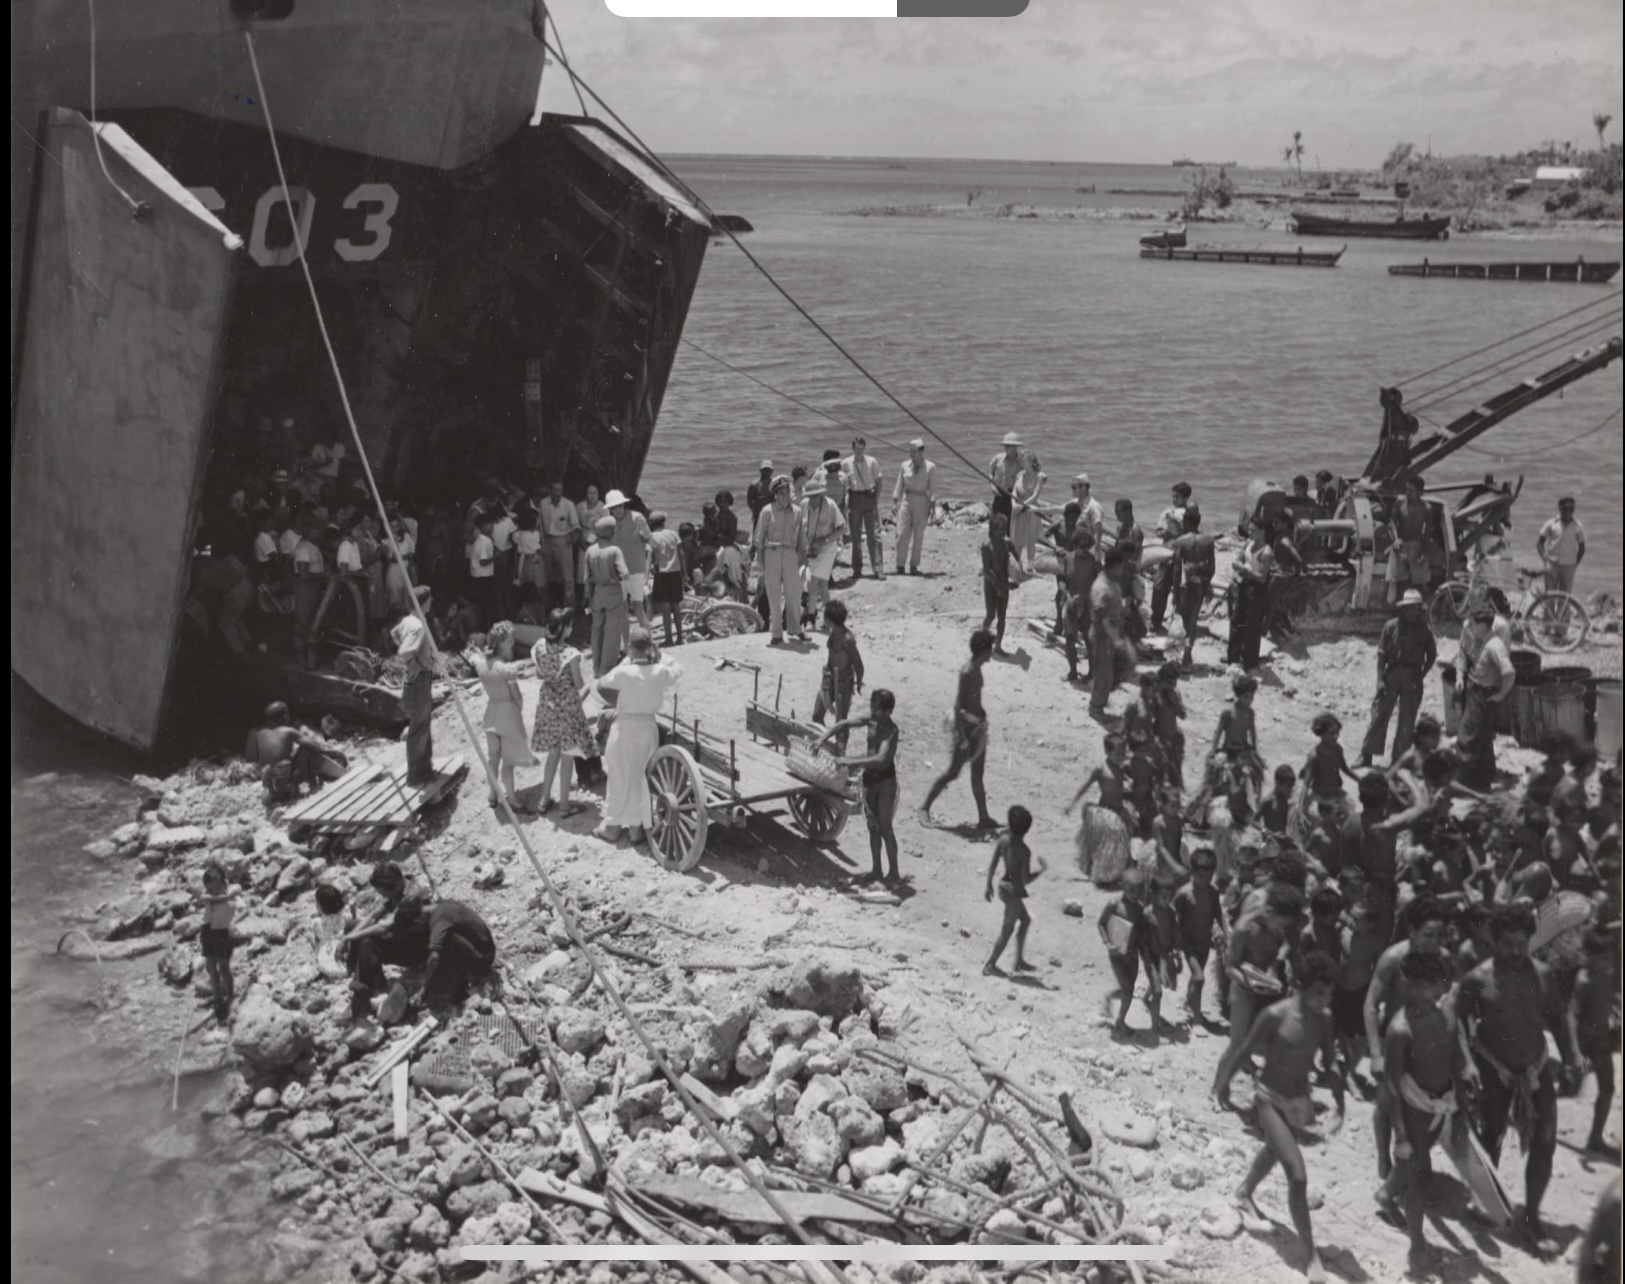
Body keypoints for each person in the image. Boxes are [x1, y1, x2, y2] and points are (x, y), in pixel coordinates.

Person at [1213, 951, 1345, 1284]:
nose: (1323, 1000)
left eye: (1328, 994)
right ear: (1300, 986)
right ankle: (1310, 1254)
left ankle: (1244, 1191)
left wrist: (1339, 1100)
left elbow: (1328, 1062)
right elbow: (1244, 1049)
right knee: (1297, 1175)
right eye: (1318, 992)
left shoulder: (1325, 1018)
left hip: (1299, 1100)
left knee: (1273, 1150)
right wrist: (1224, 1084)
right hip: (1268, 1098)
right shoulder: (1275, 1014)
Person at [1456, 903, 1579, 1252]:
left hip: (1536, 1066)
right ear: (1494, 941)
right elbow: (1458, 1023)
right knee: (1491, 1135)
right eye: (1507, 942)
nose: (1514, 950)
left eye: (1521, 943)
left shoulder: (1543, 974)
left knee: (1545, 1140)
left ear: (1530, 941)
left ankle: (1532, 1218)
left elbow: (1557, 1017)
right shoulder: (1477, 977)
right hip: (1493, 1066)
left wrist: (1569, 1058)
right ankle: (1486, 1202)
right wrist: (1466, 1062)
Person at [1363, 897, 1451, 1180]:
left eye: (1439, 936)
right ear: (1411, 930)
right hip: (1394, 1041)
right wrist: (1376, 1053)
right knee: (1386, 1101)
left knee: (1420, 1109)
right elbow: (1371, 1005)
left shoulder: (1444, 960)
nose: (1434, 942)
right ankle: (1382, 1158)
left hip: (1425, 1042)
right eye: (1428, 935)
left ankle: (1410, 1165)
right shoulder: (1393, 958)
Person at [593, 627, 681, 848]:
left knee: (619, 774)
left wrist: (626, 661)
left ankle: (612, 827)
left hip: (625, 728)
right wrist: (658, 655)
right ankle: (635, 829)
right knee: (640, 778)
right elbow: (677, 669)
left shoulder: (624, 673)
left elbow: (603, 682)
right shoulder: (660, 672)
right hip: (648, 728)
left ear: (630, 648)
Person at [819, 688, 901, 884]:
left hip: (886, 783)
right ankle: (876, 870)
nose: (874, 713)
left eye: (878, 710)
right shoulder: (872, 720)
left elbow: (881, 758)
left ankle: (895, 873)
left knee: (885, 828)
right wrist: (821, 739)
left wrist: (849, 761)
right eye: (872, 709)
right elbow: (842, 723)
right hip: (870, 780)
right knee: (873, 827)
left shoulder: (892, 731)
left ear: (889, 711)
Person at [921, 629, 995, 829]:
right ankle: (924, 808)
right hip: (968, 730)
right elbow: (958, 705)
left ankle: (984, 817)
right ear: (984, 650)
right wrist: (962, 737)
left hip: (977, 729)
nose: (992, 653)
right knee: (952, 773)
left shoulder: (976, 669)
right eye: (990, 649)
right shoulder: (968, 672)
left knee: (977, 774)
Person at [1223, 884, 1304, 1066]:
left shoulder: (1276, 923)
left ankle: (1247, 1064)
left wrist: (1278, 963)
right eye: (1282, 923)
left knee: (1258, 1035)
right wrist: (1253, 983)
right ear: (1269, 911)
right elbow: (1229, 968)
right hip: (1243, 987)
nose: (1283, 927)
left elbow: (1285, 943)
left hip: (1266, 985)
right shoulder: (1244, 928)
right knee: (1237, 1042)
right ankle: (1219, 1086)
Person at [1359, 588, 1439, 773]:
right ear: (1402, 609)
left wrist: (1421, 675)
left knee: (1407, 720)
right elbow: (1381, 655)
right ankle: (1367, 755)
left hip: (1412, 676)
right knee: (1379, 713)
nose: (1413, 612)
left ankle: (1398, 760)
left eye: (1416, 609)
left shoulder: (1425, 630)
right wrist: (1380, 680)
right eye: (1409, 608)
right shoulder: (1390, 626)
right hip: (1392, 674)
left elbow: (1432, 656)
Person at [528, 609, 595, 819]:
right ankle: (565, 806)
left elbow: (539, 673)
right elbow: (579, 683)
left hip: (548, 704)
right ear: (565, 628)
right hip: (568, 708)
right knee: (568, 757)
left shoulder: (539, 646)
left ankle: (544, 800)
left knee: (553, 753)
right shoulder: (571, 654)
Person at [470, 622, 535, 814]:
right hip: (508, 714)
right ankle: (513, 800)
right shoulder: (507, 670)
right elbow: (518, 697)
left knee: (493, 758)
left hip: (492, 711)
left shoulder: (482, 666)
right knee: (508, 761)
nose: (512, 643)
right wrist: (517, 711)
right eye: (509, 640)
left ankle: (492, 795)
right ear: (500, 643)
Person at [396, 894, 497, 1010]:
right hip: (484, 947)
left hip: (483, 960)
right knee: (440, 941)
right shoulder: (441, 905)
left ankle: (453, 990)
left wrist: (424, 987)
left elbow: (434, 957)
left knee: (441, 946)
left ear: (417, 922)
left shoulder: (438, 921)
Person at [1454, 600, 1515, 791]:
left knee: (1466, 738)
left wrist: (1500, 694)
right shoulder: (1482, 640)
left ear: (1482, 625)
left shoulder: (1494, 645)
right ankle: (1482, 780)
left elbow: (1509, 672)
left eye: (1473, 624)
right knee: (1481, 737)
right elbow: (1463, 654)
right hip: (1476, 690)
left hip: (1483, 694)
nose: (1469, 627)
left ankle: (1462, 783)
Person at [984, 804, 1045, 977]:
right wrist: (1041, 871)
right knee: (1007, 929)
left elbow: (994, 863)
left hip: (1004, 885)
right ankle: (990, 964)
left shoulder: (1003, 840)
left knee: (1025, 920)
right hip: (1013, 893)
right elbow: (1025, 880)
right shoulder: (1024, 852)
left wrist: (988, 884)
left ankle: (1018, 961)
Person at [244, 701, 348, 801]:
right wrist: (332, 753)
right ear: (285, 717)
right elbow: (315, 747)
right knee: (306, 749)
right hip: (287, 782)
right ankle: (311, 786)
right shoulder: (288, 731)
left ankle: (274, 792)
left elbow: (251, 759)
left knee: (281, 763)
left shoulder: (258, 735)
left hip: (269, 781)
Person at [1575, 926, 1619, 1156]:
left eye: (1608, 958)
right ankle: (1532, 1111)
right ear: (1589, 956)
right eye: (1601, 958)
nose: (1605, 962)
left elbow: (1611, 1000)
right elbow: (1572, 1014)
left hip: (1602, 1040)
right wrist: (1575, 1051)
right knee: (1571, 1087)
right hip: (1584, 1042)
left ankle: (1595, 1137)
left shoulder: (1609, 975)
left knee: (1607, 1089)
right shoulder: (1584, 980)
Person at [1068, 733, 1134, 885]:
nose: (1120, 757)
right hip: (1106, 811)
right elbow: (1084, 787)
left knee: (1128, 834)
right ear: (1107, 752)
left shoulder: (1121, 768)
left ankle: (1119, 867)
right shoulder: (1100, 769)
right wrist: (1071, 805)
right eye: (1117, 754)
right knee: (1112, 838)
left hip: (1119, 809)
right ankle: (1103, 872)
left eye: (1123, 754)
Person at [752, 474, 808, 645]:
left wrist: (803, 557)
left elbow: (801, 537)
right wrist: (760, 563)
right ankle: (776, 633)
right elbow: (759, 539)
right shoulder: (767, 511)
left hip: (791, 553)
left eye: (787, 492)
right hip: (772, 553)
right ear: (775, 495)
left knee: (794, 593)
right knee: (773, 594)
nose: (785, 496)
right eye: (781, 493)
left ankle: (795, 628)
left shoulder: (797, 511)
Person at [1099, 866, 1154, 1035]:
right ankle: (1120, 1022)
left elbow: (1139, 932)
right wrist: (1107, 942)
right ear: (1123, 886)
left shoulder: (1139, 908)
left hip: (1132, 955)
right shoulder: (1114, 904)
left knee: (1127, 989)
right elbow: (1101, 923)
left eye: (1138, 890)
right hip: (1116, 954)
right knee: (1129, 990)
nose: (1134, 893)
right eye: (1131, 889)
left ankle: (1110, 997)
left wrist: (1144, 951)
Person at [391, 593, 437, 785]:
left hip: (416, 682)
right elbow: (404, 653)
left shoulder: (409, 621)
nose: (432, 602)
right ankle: (415, 775)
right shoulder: (417, 626)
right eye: (429, 600)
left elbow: (394, 634)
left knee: (422, 725)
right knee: (418, 728)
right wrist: (417, 664)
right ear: (424, 602)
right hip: (419, 681)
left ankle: (425, 769)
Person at [1173, 846, 1223, 1022]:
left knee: (1197, 976)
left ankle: (1189, 1001)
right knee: (1200, 978)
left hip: (1204, 942)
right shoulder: (1184, 894)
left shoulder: (1213, 892)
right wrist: (1175, 944)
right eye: (1201, 876)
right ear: (1192, 872)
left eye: (1209, 877)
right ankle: (1197, 1019)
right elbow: (1174, 918)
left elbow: (1218, 913)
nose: (1205, 881)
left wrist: (1225, 932)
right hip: (1189, 943)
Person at [811, 599, 864, 751]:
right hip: (828, 679)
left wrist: (858, 683)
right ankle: (822, 746)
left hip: (843, 682)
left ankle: (841, 752)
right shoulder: (833, 633)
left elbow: (858, 663)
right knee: (817, 715)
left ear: (829, 620)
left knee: (841, 722)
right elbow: (831, 656)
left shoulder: (847, 639)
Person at [583, 515, 630, 677]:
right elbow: (624, 574)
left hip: (597, 594)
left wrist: (588, 599)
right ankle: (606, 667)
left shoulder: (590, 550)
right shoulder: (614, 550)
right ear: (610, 531)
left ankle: (596, 668)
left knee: (596, 630)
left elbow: (585, 578)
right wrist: (614, 578)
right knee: (612, 631)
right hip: (612, 592)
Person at [1088, 545, 1131, 717]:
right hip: (1103, 636)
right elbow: (1100, 617)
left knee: (1109, 671)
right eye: (1122, 565)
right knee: (1103, 674)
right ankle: (1095, 707)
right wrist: (1115, 638)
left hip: (1110, 634)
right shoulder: (1102, 587)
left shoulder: (1110, 581)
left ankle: (1101, 699)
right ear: (1116, 565)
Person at [1228, 519, 1274, 670]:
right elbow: (1240, 558)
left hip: (1257, 589)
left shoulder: (1266, 552)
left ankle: (1249, 661)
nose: (1249, 533)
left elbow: (1262, 577)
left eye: (1253, 530)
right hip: (1245, 585)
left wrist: (1246, 571)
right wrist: (1239, 565)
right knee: (1237, 620)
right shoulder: (1249, 544)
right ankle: (1233, 656)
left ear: (1262, 532)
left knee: (1252, 626)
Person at [605, 490, 652, 636]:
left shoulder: (637, 518)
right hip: (618, 572)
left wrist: (648, 568)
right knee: (622, 608)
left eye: (619, 506)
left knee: (638, 606)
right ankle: (625, 644)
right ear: (610, 509)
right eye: (614, 508)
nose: (617, 510)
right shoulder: (609, 523)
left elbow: (648, 540)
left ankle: (647, 639)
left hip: (636, 570)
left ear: (624, 505)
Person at [801, 474, 846, 623]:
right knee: (822, 585)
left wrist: (824, 541)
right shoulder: (803, 505)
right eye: (811, 496)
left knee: (812, 583)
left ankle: (811, 616)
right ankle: (830, 619)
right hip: (811, 549)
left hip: (828, 548)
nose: (814, 499)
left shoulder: (830, 505)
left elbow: (842, 528)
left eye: (816, 495)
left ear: (821, 493)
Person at [197, 860, 237, 1022]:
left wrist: (225, 895)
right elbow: (202, 896)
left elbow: (237, 890)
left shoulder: (230, 889)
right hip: (207, 931)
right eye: (208, 888)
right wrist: (223, 896)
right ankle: (217, 998)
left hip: (222, 932)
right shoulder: (212, 894)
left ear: (221, 881)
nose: (210, 891)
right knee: (210, 967)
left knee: (223, 968)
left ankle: (230, 998)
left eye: (213, 888)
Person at [1149, 482, 1191, 631]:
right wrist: (1163, 532)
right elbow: (1159, 530)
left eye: (1177, 497)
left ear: (1186, 498)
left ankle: (1179, 622)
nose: (1174, 499)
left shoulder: (1189, 514)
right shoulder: (1166, 512)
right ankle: (1156, 620)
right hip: (1166, 554)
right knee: (1159, 587)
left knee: (1180, 590)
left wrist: (1177, 527)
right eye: (1173, 496)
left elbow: (1189, 533)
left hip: (1182, 556)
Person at [1385, 473, 1432, 607]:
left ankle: (1424, 607)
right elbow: (1391, 523)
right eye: (1406, 489)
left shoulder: (1427, 508)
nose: (1407, 493)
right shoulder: (1400, 502)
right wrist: (1395, 539)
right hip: (1400, 544)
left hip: (1416, 545)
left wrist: (1424, 552)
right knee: (1396, 580)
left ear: (1420, 492)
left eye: (1411, 490)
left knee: (1421, 581)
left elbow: (1428, 532)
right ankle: (1395, 608)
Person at [1170, 506, 1216, 639]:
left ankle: (1185, 644)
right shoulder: (1208, 540)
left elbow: (1177, 569)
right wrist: (1207, 583)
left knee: (1183, 614)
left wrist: (1175, 592)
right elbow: (1212, 566)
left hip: (1187, 581)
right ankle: (1189, 646)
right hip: (1201, 582)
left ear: (1187, 522)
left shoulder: (1181, 541)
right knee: (1194, 614)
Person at [842, 437, 885, 580]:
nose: (859, 452)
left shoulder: (872, 462)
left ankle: (878, 568)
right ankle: (857, 569)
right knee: (856, 537)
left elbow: (879, 482)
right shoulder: (846, 463)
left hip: (869, 497)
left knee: (874, 536)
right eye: (856, 449)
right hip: (854, 498)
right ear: (852, 449)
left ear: (864, 449)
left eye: (861, 449)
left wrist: (876, 500)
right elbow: (843, 484)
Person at [892, 439, 936, 576]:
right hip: (907, 499)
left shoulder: (930, 467)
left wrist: (933, 506)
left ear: (922, 452)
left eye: (915, 452)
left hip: (922, 500)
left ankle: (914, 566)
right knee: (901, 533)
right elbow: (899, 484)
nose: (912, 455)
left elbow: (933, 488)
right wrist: (895, 501)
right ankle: (900, 565)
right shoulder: (904, 465)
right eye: (910, 452)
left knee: (918, 535)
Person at [537, 479, 581, 616]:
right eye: (555, 490)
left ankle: (569, 608)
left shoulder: (569, 505)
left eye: (560, 490)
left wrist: (572, 538)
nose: (557, 493)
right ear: (550, 490)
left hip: (563, 541)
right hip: (547, 540)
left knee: (567, 576)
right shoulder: (543, 503)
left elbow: (575, 525)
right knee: (546, 575)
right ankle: (546, 607)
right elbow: (540, 524)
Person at [646, 512, 686, 646]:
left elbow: (650, 557)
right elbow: (681, 554)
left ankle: (669, 639)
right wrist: (685, 573)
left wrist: (647, 575)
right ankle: (680, 637)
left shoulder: (652, 537)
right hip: (676, 573)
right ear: (664, 522)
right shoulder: (673, 534)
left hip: (662, 575)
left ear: (651, 525)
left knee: (666, 610)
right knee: (676, 607)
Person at [1535, 495, 1585, 595]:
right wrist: (1545, 559)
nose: (1569, 511)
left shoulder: (1578, 526)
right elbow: (1539, 543)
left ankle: (1564, 611)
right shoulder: (1551, 523)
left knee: (1565, 596)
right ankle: (1548, 611)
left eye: (1571, 508)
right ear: (1560, 508)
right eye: (1566, 508)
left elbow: (1582, 548)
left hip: (1569, 566)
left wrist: (1575, 564)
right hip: (1552, 564)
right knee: (1549, 594)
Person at [980, 512, 1013, 653]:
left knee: (1002, 616)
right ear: (992, 530)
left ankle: (998, 646)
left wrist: (1016, 578)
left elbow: (1015, 562)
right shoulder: (986, 546)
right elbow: (986, 570)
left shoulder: (1007, 544)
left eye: (1005, 529)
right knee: (990, 615)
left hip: (1004, 582)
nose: (1003, 532)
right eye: (1001, 530)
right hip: (991, 584)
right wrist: (999, 584)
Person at [1009, 450, 1046, 572]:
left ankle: (1030, 566)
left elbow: (1035, 496)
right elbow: (1014, 492)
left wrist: (1023, 505)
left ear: (1030, 462)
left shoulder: (1039, 476)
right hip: (1018, 511)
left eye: (1024, 461)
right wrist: (1014, 504)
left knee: (1030, 541)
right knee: (1017, 542)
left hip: (1030, 510)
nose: (1021, 462)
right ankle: (1018, 566)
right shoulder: (1020, 475)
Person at [467, 509, 497, 626]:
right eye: (490, 524)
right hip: (482, 576)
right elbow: (483, 561)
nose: (492, 527)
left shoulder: (486, 539)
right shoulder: (482, 541)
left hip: (484, 575)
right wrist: (496, 557)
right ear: (484, 526)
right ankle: (484, 624)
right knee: (484, 603)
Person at [988, 431, 1025, 525]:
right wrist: (992, 486)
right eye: (1005, 446)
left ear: (1015, 447)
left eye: (1008, 446)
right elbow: (991, 473)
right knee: (996, 520)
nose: (1005, 448)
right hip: (999, 493)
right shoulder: (998, 458)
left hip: (1014, 494)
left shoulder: (1022, 460)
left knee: (1012, 522)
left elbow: (1029, 475)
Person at [1069, 473, 1105, 545]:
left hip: (1088, 547)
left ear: (1084, 488)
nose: (1072, 490)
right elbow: (1058, 509)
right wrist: (1040, 509)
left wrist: (1095, 549)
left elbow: (1098, 533)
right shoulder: (1075, 502)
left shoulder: (1093, 507)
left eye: (1074, 487)